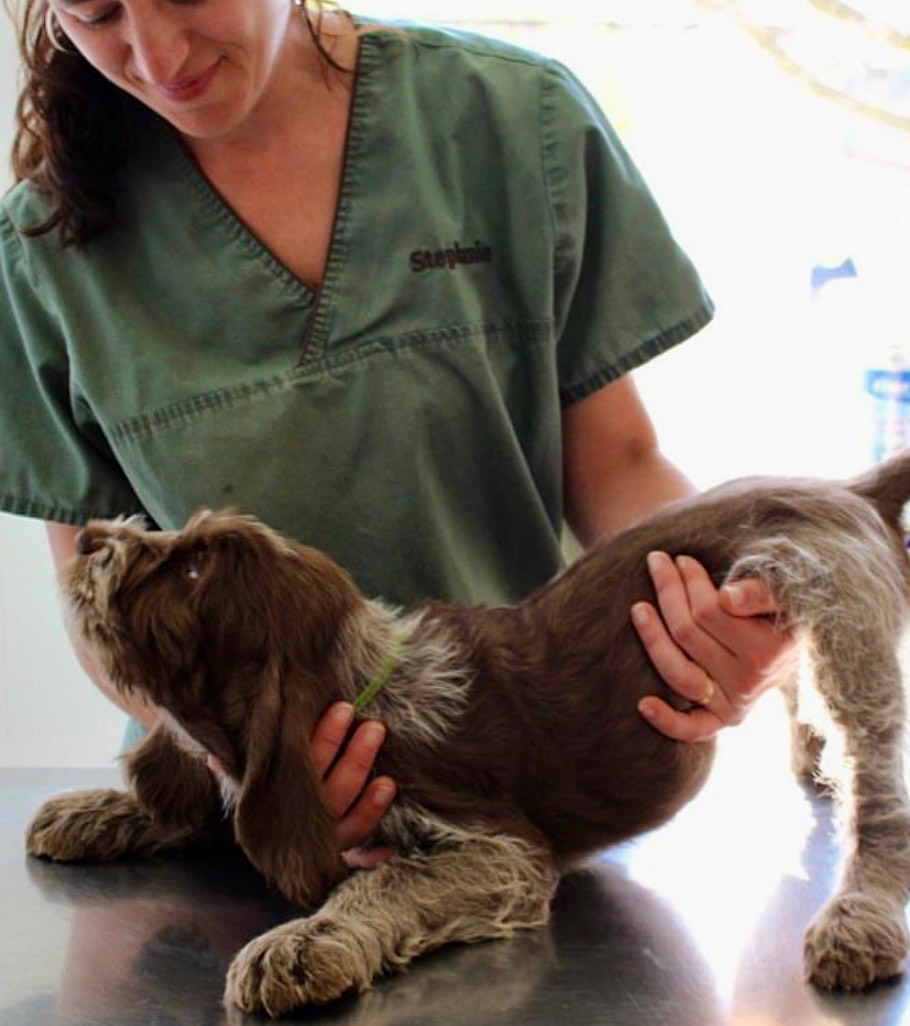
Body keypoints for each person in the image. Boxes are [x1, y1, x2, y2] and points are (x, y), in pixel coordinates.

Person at [2, 0, 794, 862]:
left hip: (519, 791)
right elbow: (98, 604)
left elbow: (620, 463)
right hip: (242, 836)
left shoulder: (509, 121)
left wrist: (719, 611)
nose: (158, 58)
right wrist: (249, 768)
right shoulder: (46, 244)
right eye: (96, 13)